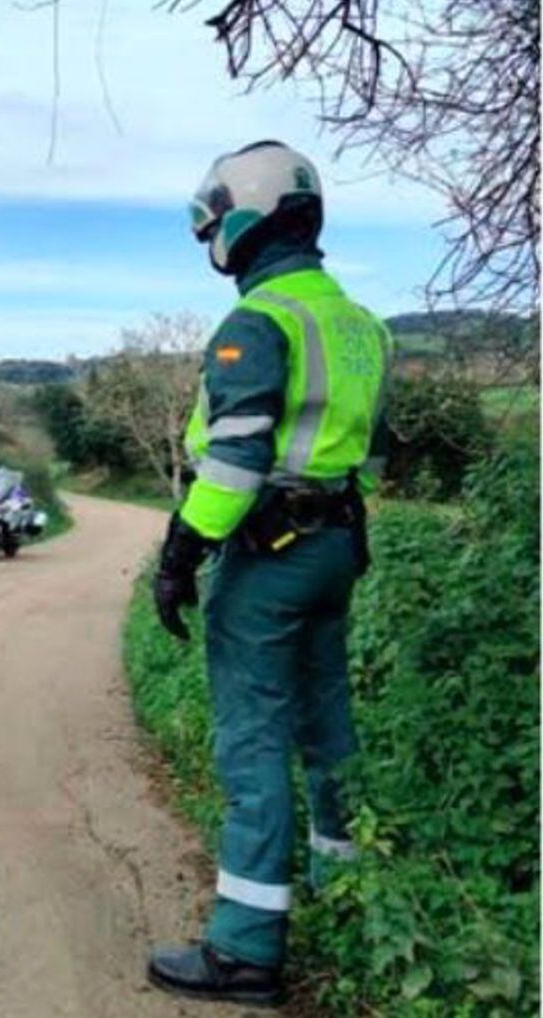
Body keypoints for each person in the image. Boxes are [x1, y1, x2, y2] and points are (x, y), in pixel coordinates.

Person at [147, 140, 391, 1006]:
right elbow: (360, 446)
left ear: (242, 220)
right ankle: (348, 889)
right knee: (329, 721)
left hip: (270, 554)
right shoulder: (359, 322)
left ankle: (246, 948)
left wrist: (181, 553)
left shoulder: (259, 321)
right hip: (335, 547)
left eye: (212, 223)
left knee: (253, 742)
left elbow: (238, 463)